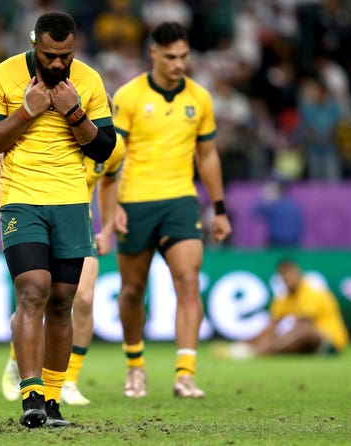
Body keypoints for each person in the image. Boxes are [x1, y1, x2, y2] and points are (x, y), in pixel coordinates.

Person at [0, 11, 116, 428]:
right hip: (21, 200)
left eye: (65, 55)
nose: (57, 64)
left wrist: (75, 115)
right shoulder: (1, 76)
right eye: (50, 55)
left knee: (63, 300)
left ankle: (53, 400)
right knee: (33, 290)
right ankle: (31, 395)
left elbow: (104, 148)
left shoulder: (87, 80)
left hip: (71, 201)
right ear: (35, 44)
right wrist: (25, 113)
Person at [111, 22, 232, 399]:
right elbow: (114, 157)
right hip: (135, 200)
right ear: (154, 54)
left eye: (184, 56)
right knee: (132, 290)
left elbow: (207, 155)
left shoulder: (200, 98)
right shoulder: (129, 96)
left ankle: (185, 373)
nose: (179, 64)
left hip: (180, 199)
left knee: (188, 278)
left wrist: (220, 209)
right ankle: (135, 367)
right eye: (171, 57)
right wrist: (112, 205)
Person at [0, 124, 125, 407]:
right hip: (35, 218)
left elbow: (110, 182)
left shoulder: (111, 146)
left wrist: (107, 228)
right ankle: (17, 362)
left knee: (82, 299)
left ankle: (68, 380)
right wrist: (8, 207)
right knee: (35, 299)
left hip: (77, 226)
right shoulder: (50, 134)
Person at [216, 258, 349, 359]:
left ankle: (262, 352)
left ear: (298, 273)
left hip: (330, 341)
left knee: (301, 329)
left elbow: (304, 325)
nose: (288, 279)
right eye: (284, 276)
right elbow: (271, 326)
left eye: (290, 275)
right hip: (306, 345)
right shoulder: (282, 298)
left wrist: (270, 344)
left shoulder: (311, 292)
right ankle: (249, 349)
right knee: (275, 333)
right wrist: (246, 342)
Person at [252, 179, 304, 247]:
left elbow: (254, 212)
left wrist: (266, 200)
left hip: (287, 241)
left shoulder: (289, 205)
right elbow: (254, 213)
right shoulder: (273, 204)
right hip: (279, 241)